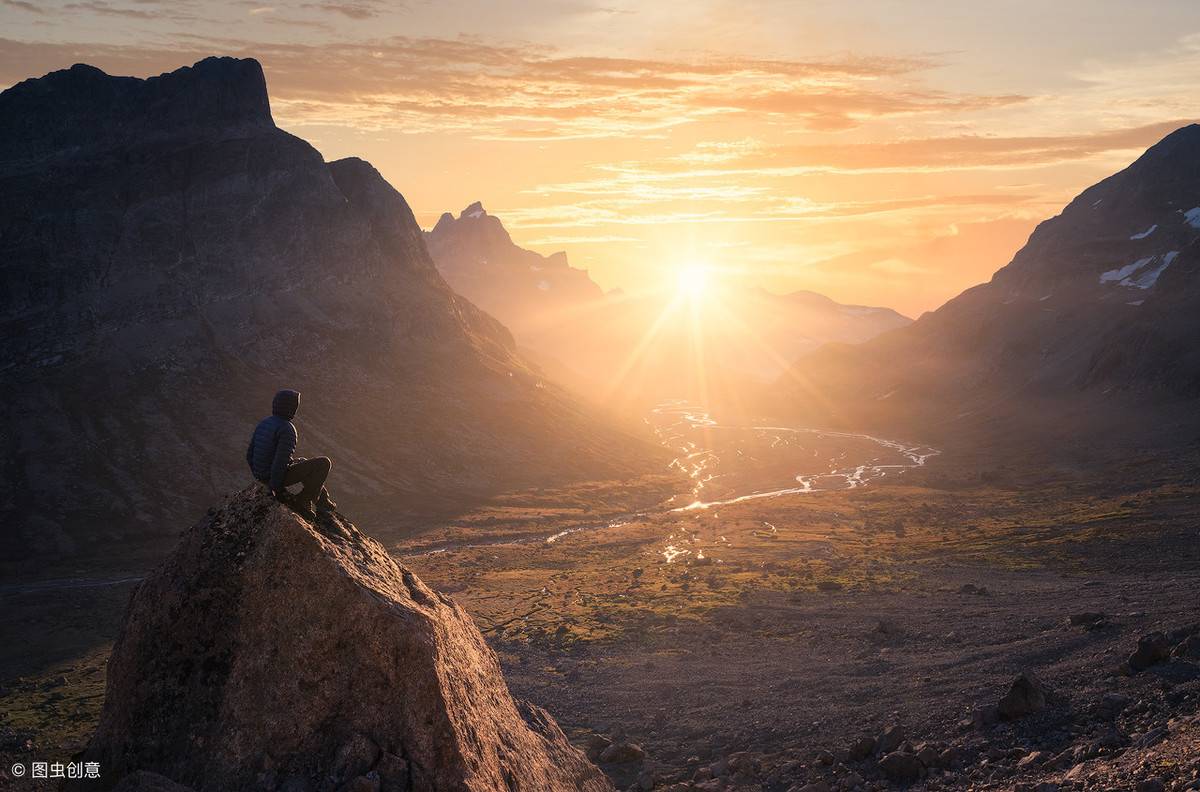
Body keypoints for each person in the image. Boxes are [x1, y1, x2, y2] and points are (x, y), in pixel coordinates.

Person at [246, 389, 335, 514]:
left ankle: (322, 501)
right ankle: (303, 500)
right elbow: (279, 461)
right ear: (291, 407)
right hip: (273, 477)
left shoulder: (264, 422)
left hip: (262, 474)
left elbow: (249, 455)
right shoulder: (287, 429)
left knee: (303, 461)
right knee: (323, 463)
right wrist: (276, 489)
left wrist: (259, 475)